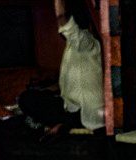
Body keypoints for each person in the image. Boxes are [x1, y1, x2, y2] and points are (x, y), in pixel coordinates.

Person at [17, 0, 105, 141]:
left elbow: (61, 17)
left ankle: (64, 125)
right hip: (70, 107)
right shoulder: (74, 47)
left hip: (85, 114)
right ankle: (63, 124)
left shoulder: (86, 42)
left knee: (28, 100)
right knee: (28, 98)